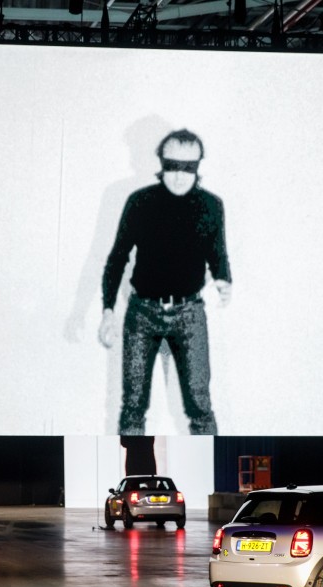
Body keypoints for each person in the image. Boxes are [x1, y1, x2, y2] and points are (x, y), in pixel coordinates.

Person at [98, 129, 232, 435]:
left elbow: (218, 253)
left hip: (190, 313)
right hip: (142, 314)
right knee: (133, 407)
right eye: (172, 165)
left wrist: (224, 280)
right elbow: (117, 258)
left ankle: (208, 462)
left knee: (200, 406)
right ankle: (130, 463)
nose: (180, 175)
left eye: (188, 167)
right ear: (161, 163)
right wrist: (107, 310)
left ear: (198, 166)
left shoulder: (212, 206)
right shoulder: (140, 202)